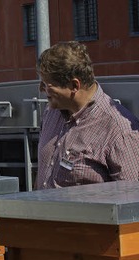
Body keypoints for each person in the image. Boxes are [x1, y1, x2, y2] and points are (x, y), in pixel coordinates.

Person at [35, 41, 139, 189]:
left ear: (74, 85)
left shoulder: (118, 130)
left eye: (47, 84)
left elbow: (132, 198)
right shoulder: (51, 112)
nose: (41, 89)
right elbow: (43, 176)